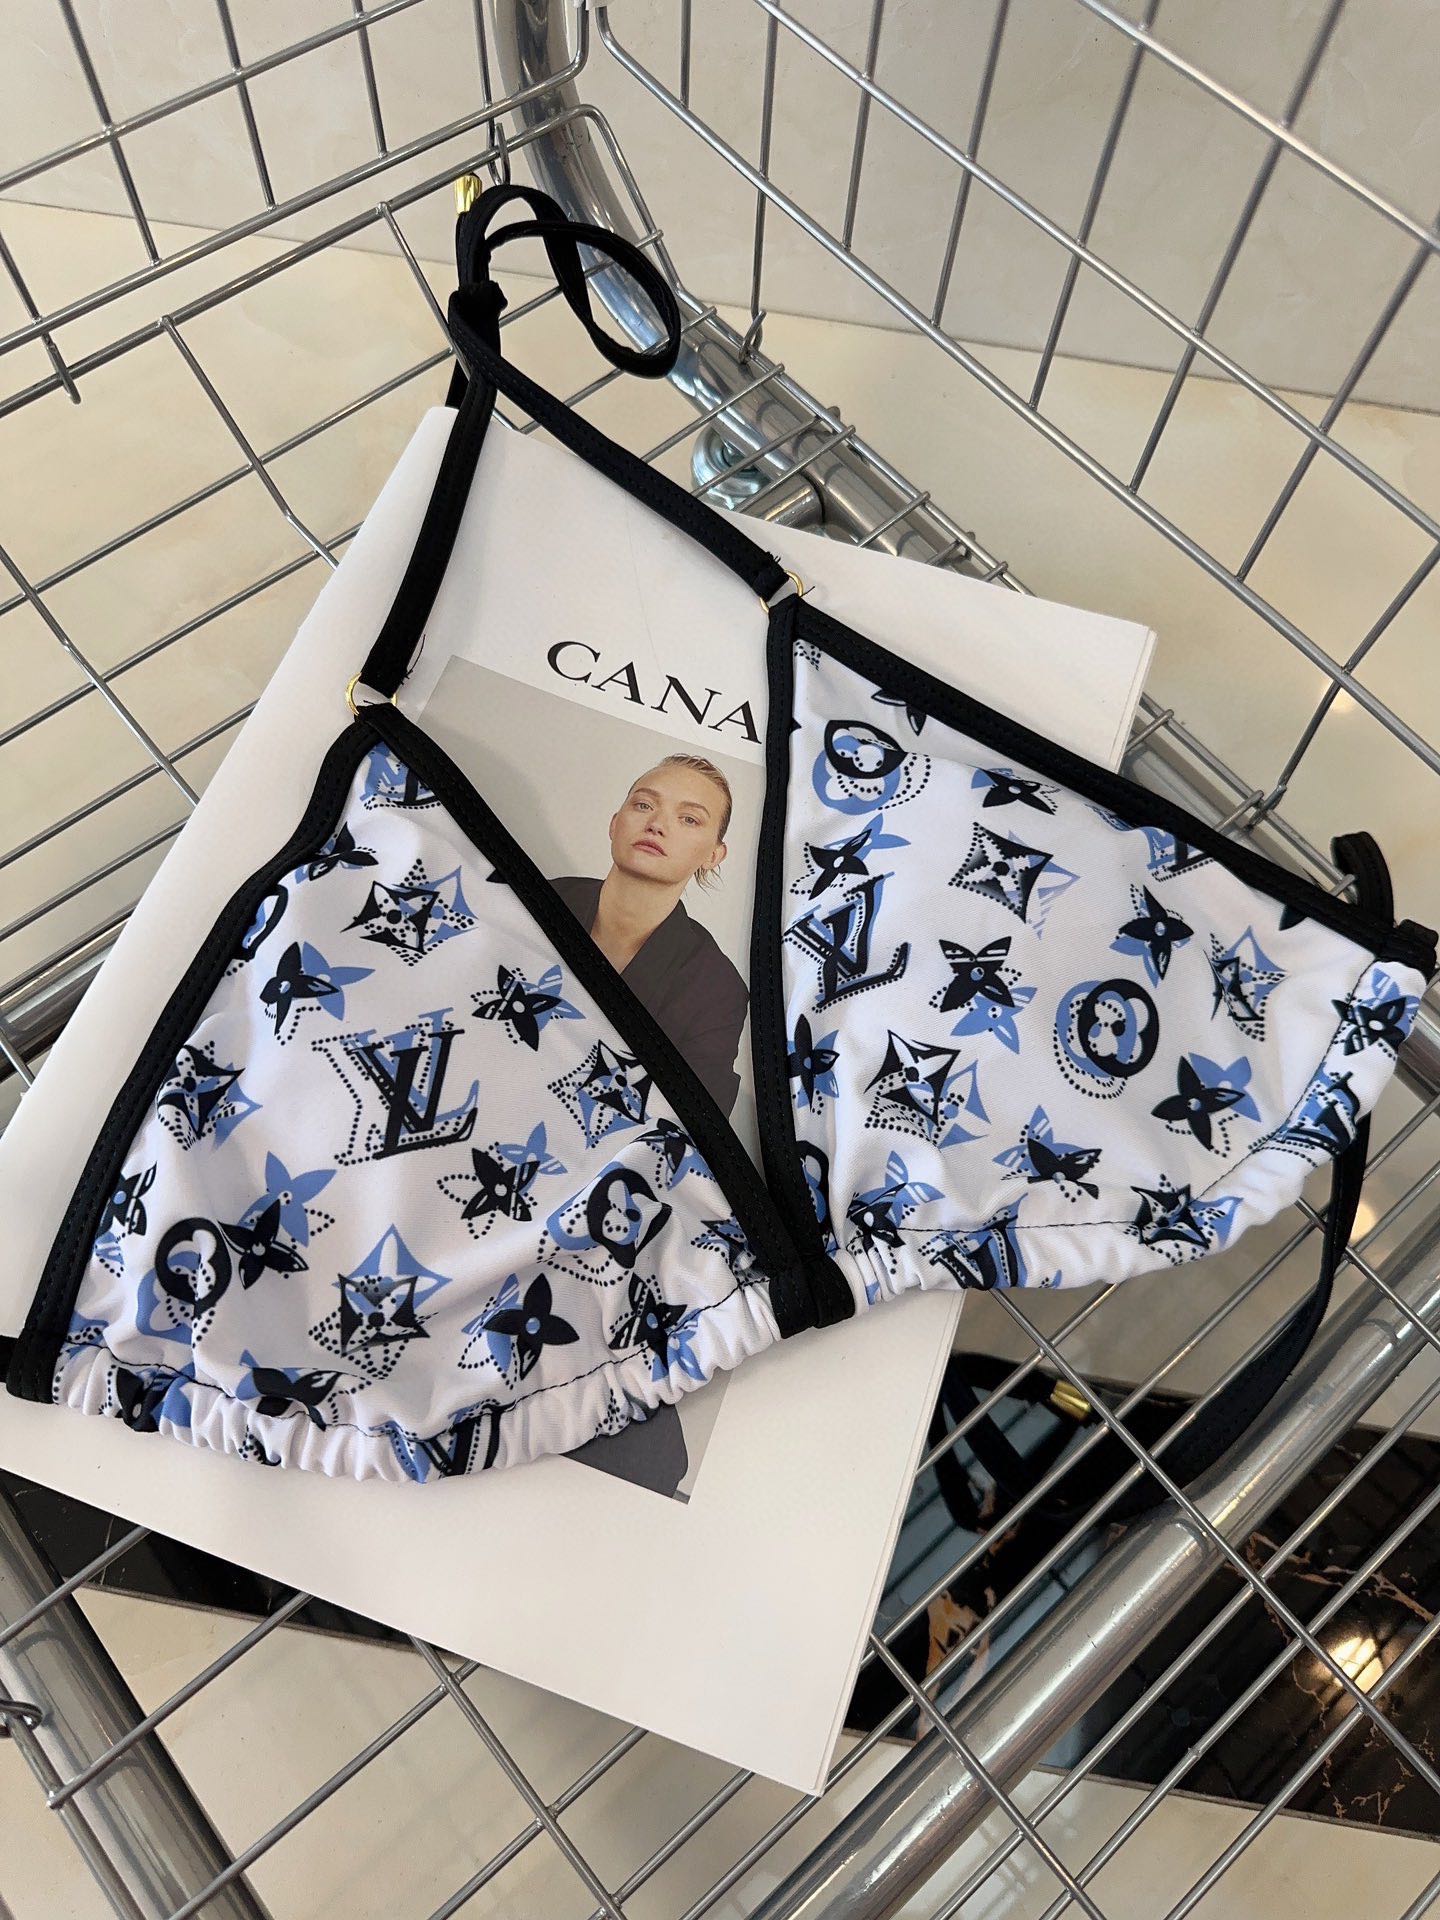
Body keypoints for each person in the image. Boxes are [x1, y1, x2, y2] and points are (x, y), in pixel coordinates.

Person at [550, 751, 750, 1118]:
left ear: (713, 855)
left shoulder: (717, 988)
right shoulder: (541, 899)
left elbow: (693, 1127)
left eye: (689, 819)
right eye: (643, 805)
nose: (656, 825)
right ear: (615, 823)